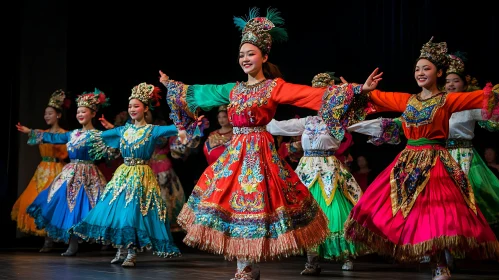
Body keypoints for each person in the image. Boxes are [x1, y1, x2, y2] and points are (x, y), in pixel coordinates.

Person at [159, 7, 382, 279]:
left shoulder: (274, 87)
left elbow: (310, 95)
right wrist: (174, 87)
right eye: (241, 54)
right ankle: (244, 267)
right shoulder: (234, 89)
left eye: (250, 53)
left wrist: (356, 90)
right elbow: (201, 92)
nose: (245, 59)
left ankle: (249, 267)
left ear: (264, 56)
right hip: (236, 154)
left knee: (255, 208)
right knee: (233, 207)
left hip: (260, 154)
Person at [343, 37, 499, 280]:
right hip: (408, 162)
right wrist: (362, 90)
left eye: (426, 68)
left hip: (436, 160)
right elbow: (378, 98)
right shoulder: (408, 100)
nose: (420, 72)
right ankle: (419, 254)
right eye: (417, 68)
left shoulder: (448, 99)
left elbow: (482, 97)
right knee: (396, 210)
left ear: (439, 72)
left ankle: (440, 264)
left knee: (436, 213)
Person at [71, 82, 188, 267]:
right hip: (123, 175)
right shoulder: (123, 130)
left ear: (145, 109)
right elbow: (102, 136)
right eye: (130, 106)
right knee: (118, 211)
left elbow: (177, 128)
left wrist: (184, 127)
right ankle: (121, 249)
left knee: (133, 213)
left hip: (142, 175)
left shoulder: (152, 130)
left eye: (136, 106)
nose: (132, 109)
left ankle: (131, 252)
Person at [266, 72, 372, 275]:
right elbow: (278, 126)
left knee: (336, 213)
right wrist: (258, 113)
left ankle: (346, 255)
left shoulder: (341, 119)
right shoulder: (308, 121)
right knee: (306, 214)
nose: (321, 99)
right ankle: (311, 261)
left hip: (330, 170)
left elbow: (364, 124)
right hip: (306, 172)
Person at [17, 89, 110, 256]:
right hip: (71, 173)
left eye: (84, 111)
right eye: (78, 112)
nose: (80, 114)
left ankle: (107, 241)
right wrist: (30, 131)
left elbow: (113, 145)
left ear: (93, 113)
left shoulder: (98, 135)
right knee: (67, 206)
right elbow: (53, 138)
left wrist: (111, 129)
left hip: (90, 174)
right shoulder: (72, 133)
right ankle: (72, 244)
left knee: (94, 207)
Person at [12, 90, 69, 252]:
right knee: (35, 202)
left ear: (58, 115)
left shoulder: (65, 134)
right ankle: (47, 240)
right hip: (43, 170)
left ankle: (59, 237)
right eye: (45, 114)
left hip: (58, 169)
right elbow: (36, 138)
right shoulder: (41, 132)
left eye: (50, 113)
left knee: (56, 203)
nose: (46, 116)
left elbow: (66, 152)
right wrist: (29, 131)